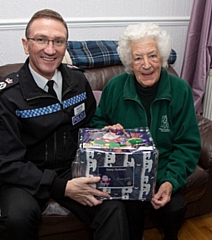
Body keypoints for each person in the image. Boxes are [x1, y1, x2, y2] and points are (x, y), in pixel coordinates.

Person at [0, 9, 129, 240]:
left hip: (73, 166)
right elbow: (7, 162)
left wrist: (104, 135)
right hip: (26, 174)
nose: (50, 49)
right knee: (17, 219)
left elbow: (89, 123)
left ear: (65, 45)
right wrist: (61, 187)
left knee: (112, 206)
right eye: (41, 39)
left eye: (58, 41)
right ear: (26, 44)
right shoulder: (7, 96)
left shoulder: (78, 80)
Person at [90, 22, 201, 240]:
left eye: (152, 55)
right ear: (130, 62)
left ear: (162, 57)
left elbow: (188, 144)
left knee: (175, 208)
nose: (146, 65)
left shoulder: (180, 90)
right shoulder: (114, 86)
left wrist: (170, 181)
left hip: (164, 169)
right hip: (127, 173)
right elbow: (96, 124)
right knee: (129, 213)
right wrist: (107, 131)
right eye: (138, 58)